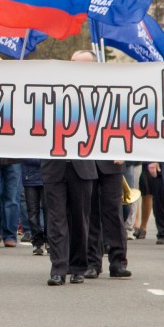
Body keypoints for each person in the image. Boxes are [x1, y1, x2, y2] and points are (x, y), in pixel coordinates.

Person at [41, 50, 100, 286]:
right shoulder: (52, 90)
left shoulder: (99, 93)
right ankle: (58, 267)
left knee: (80, 219)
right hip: (54, 164)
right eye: (72, 62)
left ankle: (78, 266)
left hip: (82, 166)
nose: (74, 67)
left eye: (80, 64)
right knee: (56, 219)